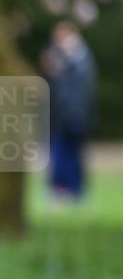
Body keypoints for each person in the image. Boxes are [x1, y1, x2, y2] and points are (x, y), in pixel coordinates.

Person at [41, 21, 96, 202]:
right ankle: (63, 188)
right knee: (62, 152)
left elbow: (75, 86)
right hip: (65, 114)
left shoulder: (79, 57)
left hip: (74, 114)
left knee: (69, 152)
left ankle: (72, 189)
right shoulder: (72, 57)